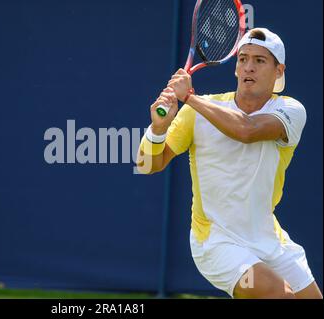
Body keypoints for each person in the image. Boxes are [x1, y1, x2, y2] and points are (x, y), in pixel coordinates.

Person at [137, 28, 323, 299]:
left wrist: (189, 97)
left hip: (269, 240)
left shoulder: (291, 111)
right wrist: (157, 130)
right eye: (243, 59)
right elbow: (147, 164)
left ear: (279, 71)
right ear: (236, 68)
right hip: (215, 245)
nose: (248, 67)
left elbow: (247, 130)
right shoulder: (197, 112)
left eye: (259, 61)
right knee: (279, 295)